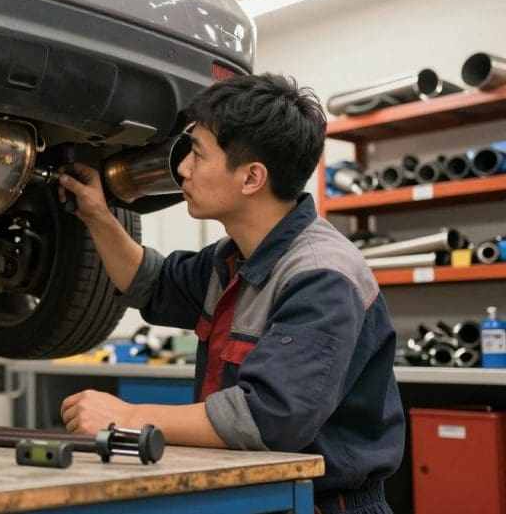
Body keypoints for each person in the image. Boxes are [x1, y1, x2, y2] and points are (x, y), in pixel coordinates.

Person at [57, 74, 404, 514]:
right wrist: (97, 216)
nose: (182, 168)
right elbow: (154, 282)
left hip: (323, 505)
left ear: (252, 178)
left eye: (198, 154)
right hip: (262, 492)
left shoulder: (321, 276)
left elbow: (269, 418)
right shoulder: (234, 258)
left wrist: (125, 417)